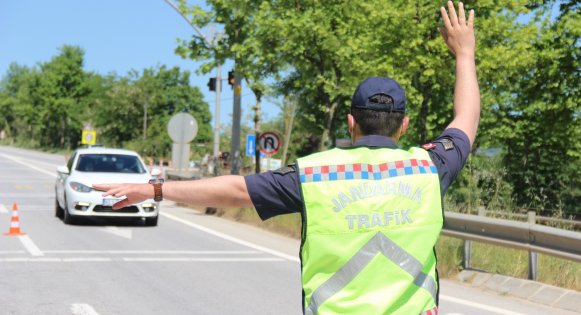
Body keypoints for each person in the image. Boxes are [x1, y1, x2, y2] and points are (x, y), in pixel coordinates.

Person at [94, 1, 479, 314]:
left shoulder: (315, 174)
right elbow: (465, 119)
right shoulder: (429, 167)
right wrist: (464, 53)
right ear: (405, 125)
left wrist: (156, 189)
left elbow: (234, 191)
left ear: (350, 123)